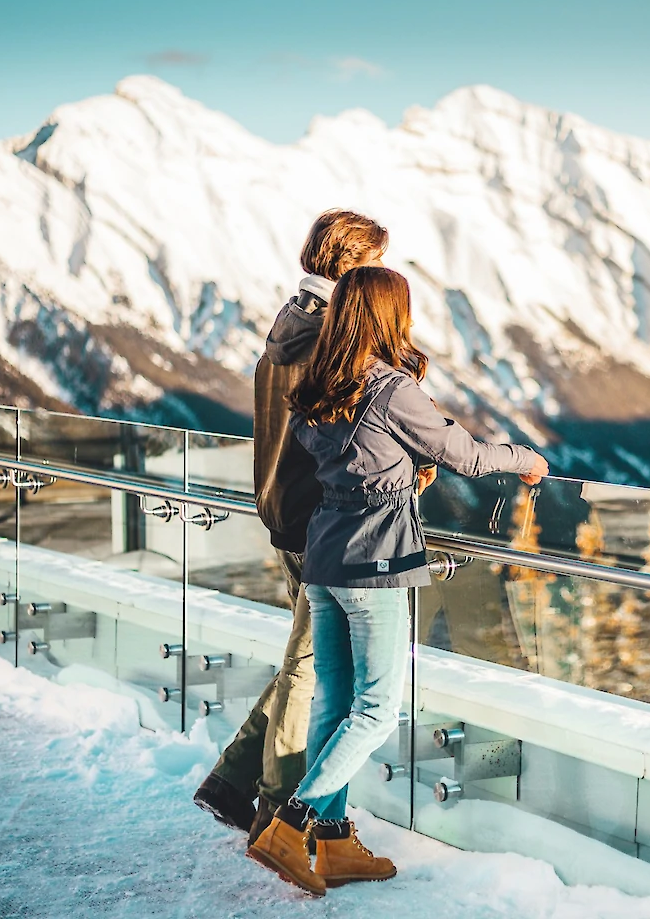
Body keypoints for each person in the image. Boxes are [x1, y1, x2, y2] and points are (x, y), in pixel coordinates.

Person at [247, 265, 548, 896]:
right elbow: (462, 452)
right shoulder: (387, 386)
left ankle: (330, 843)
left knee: (334, 699)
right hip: (374, 562)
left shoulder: (318, 382)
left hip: (324, 557)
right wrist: (526, 461)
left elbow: (346, 456)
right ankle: (293, 822)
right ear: (390, 316)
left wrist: (394, 468)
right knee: (379, 707)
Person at [193, 210, 401, 844]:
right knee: (312, 667)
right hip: (326, 523)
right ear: (352, 267)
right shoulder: (328, 342)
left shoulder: (287, 325)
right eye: (373, 266)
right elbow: (362, 431)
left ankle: (231, 783)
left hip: (283, 512)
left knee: (303, 660)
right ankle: (278, 806)